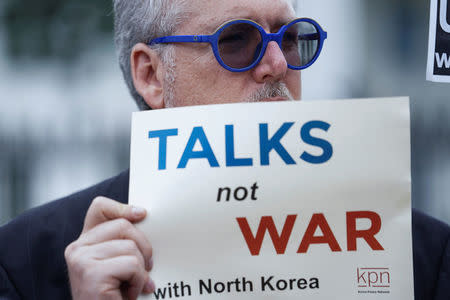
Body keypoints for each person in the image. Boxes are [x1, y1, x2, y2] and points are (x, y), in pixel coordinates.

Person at [0, 0, 449, 299]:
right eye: (236, 41)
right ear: (151, 75)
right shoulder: (29, 262)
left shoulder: (415, 255)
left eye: (289, 37)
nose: (277, 65)